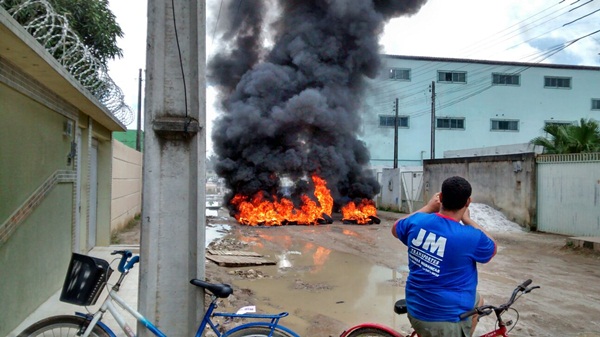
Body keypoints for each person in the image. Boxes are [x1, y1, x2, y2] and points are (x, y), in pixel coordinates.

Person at [392, 176, 496, 337]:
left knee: (478, 300)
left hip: (415, 306)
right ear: (468, 202)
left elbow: (395, 228)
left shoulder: (417, 222)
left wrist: (427, 207)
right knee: (475, 304)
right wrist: (467, 219)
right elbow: (492, 247)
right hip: (444, 320)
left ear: (440, 198)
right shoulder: (471, 237)